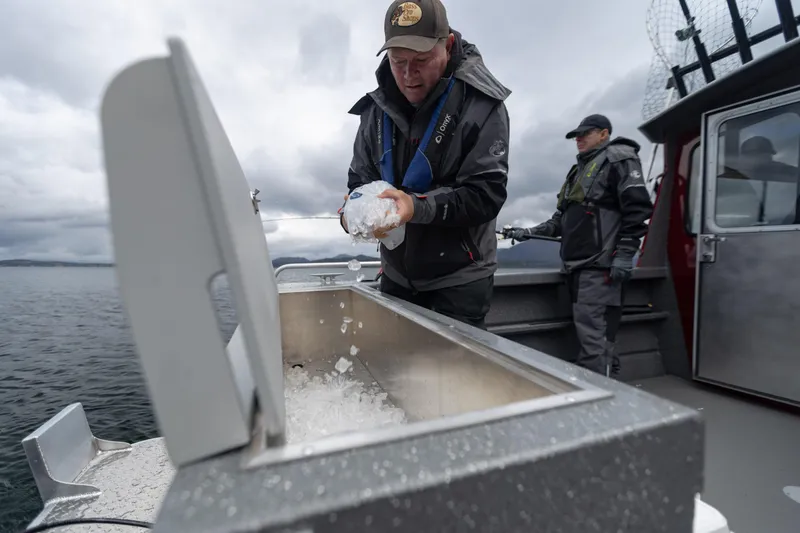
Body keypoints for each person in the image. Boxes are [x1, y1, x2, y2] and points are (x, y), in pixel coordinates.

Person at [339, 0, 511, 329]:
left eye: (421, 60)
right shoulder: (373, 111)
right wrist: (355, 214)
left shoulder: (484, 105)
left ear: (446, 46)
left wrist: (414, 208)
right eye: (397, 61)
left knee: (451, 379)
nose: (407, 75)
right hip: (395, 275)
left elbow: (484, 195)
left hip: (459, 280)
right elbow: (358, 183)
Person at [503, 114, 653, 377]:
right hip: (577, 269)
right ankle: (602, 387)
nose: (579, 139)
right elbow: (560, 221)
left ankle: (600, 397)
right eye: (576, 136)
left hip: (600, 268)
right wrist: (527, 231)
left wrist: (624, 254)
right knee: (589, 335)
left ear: (604, 133)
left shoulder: (619, 158)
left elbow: (638, 210)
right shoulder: (579, 171)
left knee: (596, 339)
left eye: (586, 133)